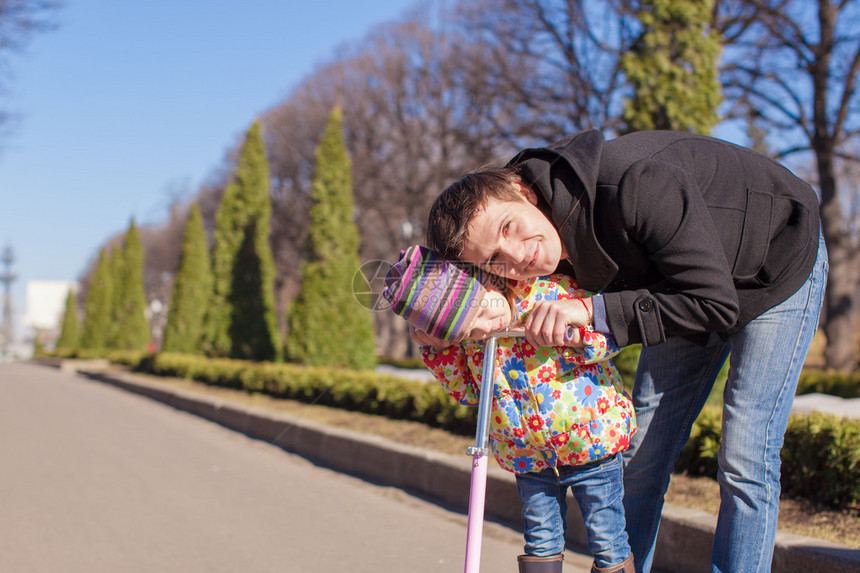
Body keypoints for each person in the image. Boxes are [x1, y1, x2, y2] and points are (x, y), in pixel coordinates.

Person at [422, 130, 828, 573]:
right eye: (495, 260)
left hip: (776, 262)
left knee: (745, 456)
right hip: (681, 289)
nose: (517, 258)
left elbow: (713, 303)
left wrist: (589, 309)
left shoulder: (636, 185)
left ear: (523, 192)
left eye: (508, 228)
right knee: (643, 453)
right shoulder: (541, 245)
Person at [384, 244, 637, 573]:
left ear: (487, 280)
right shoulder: (474, 341)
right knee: (540, 539)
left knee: (606, 537)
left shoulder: (551, 294)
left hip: (591, 441)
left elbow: (609, 338)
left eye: (483, 312)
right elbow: (469, 392)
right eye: (469, 331)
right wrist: (443, 353)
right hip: (527, 455)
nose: (485, 328)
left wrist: (576, 336)